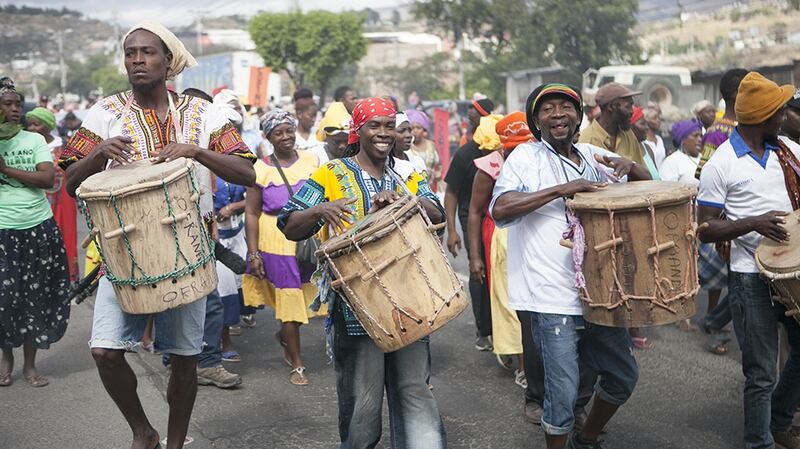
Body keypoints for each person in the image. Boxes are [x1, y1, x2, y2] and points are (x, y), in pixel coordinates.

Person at [60, 22, 256, 449]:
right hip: (123, 253)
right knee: (104, 352)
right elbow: (70, 182)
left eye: (147, 52)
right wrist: (97, 153)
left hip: (189, 253)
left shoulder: (205, 114)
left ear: (168, 61)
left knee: (185, 360)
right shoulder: (105, 112)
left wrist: (198, 151)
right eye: (130, 53)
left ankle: (174, 439)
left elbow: (247, 171)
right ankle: (143, 432)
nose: (137, 60)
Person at [278, 97, 447, 449]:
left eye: (389, 125)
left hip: (413, 301)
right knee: (362, 404)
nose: (383, 133)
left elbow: (438, 214)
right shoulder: (331, 174)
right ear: (358, 131)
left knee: (415, 391)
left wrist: (406, 201)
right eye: (374, 125)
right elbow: (289, 223)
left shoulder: (407, 172)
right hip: (358, 310)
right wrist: (321, 209)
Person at [491, 83, 649, 449]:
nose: (557, 114)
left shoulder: (593, 155)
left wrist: (634, 168)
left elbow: (648, 189)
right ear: (536, 120)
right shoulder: (526, 158)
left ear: (579, 116)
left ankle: (588, 436)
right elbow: (500, 209)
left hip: (600, 293)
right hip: (551, 296)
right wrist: (563, 189)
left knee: (623, 376)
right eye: (548, 109)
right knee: (561, 394)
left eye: (566, 107)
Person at [698, 71, 800, 449]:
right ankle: (759, 442)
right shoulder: (721, 164)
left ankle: (778, 420)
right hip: (749, 278)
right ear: (763, 118)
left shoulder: (788, 150)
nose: (785, 117)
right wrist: (752, 224)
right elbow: (704, 229)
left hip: (790, 271)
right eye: (780, 112)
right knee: (760, 373)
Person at [242, 110, 322, 386]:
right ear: (268, 137)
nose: (286, 136)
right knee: (288, 297)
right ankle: (297, 364)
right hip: (276, 240)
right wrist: (253, 252)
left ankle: (286, 335)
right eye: (279, 132)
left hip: (309, 238)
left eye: (289, 130)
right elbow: (251, 213)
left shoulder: (312, 161)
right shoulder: (260, 168)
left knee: (306, 295)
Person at [0, 81, 71, 389]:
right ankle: (7, 359)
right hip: (3, 231)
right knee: (4, 300)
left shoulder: (33, 140)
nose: (15, 109)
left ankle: (29, 365)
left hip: (37, 227)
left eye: (18, 104)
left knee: (35, 296)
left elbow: (46, 178)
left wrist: (6, 169)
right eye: (7, 104)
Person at [468, 112, 529, 378]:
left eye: (526, 144)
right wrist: (474, 257)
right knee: (508, 299)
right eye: (514, 147)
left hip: (534, 232)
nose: (520, 151)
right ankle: (523, 365)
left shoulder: (542, 159)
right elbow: (474, 211)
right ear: (503, 144)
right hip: (501, 235)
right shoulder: (489, 167)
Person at [695, 68, 749, 355]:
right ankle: (717, 325)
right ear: (733, 95)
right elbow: (703, 174)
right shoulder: (718, 132)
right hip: (726, 221)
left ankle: (716, 322)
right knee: (735, 280)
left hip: (742, 219)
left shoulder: (749, 128)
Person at [25, 106, 80, 282]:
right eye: (30, 125)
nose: (32, 128)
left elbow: (73, 172)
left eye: (36, 124)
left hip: (63, 200)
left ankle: (67, 277)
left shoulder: (64, 145)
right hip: (37, 199)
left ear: (48, 125)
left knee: (65, 234)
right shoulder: (27, 146)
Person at [579, 82, 645, 166]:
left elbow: (645, 175)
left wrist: (631, 167)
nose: (632, 112)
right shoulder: (585, 140)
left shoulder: (628, 135)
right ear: (611, 107)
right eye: (628, 106)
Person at [407, 109, 442, 190]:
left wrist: (438, 174)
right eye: (412, 128)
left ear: (424, 129)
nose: (415, 131)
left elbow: (439, 165)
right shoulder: (406, 148)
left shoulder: (432, 145)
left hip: (432, 188)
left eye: (418, 128)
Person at [660, 119, 702, 184]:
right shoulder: (672, 162)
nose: (700, 139)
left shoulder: (704, 158)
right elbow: (667, 190)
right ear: (683, 140)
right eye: (695, 136)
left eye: (701, 136)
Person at [629, 105, 661, 180]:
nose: (647, 127)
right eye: (642, 124)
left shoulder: (647, 149)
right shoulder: (625, 152)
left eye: (646, 124)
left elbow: (657, 179)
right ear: (630, 128)